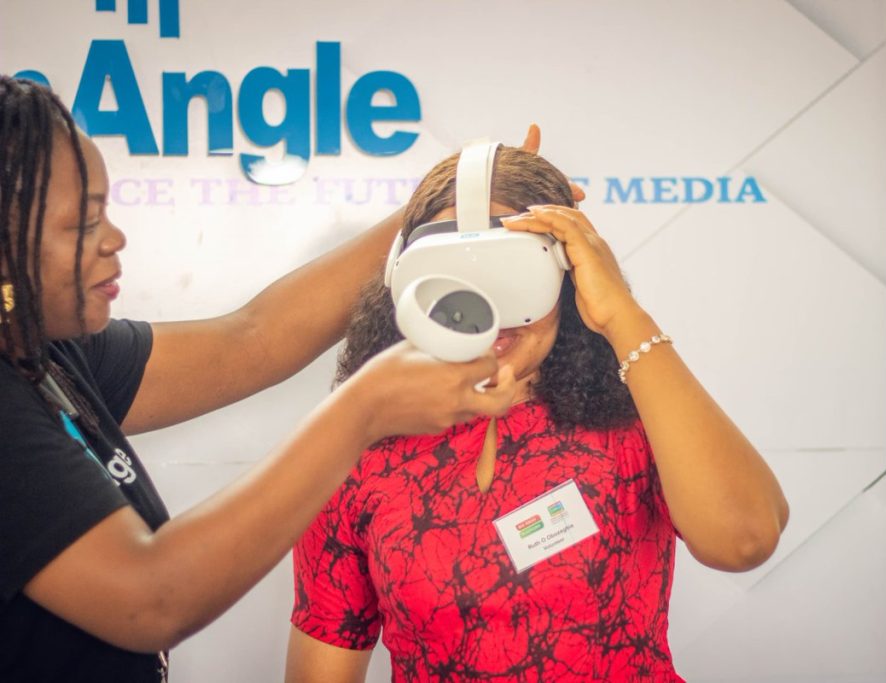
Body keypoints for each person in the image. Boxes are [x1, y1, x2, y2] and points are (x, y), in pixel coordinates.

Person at [0, 75, 527, 683]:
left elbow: (254, 339)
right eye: (85, 223)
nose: (115, 238)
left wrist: (440, 207)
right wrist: (364, 409)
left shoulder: (52, 353)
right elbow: (153, 596)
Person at [287, 146, 790, 682]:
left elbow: (744, 539)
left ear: (569, 272)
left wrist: (621, 313)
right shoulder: (357, 456)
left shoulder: (638, 420)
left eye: (513, 273)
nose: (490, 311)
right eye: (454, 276)